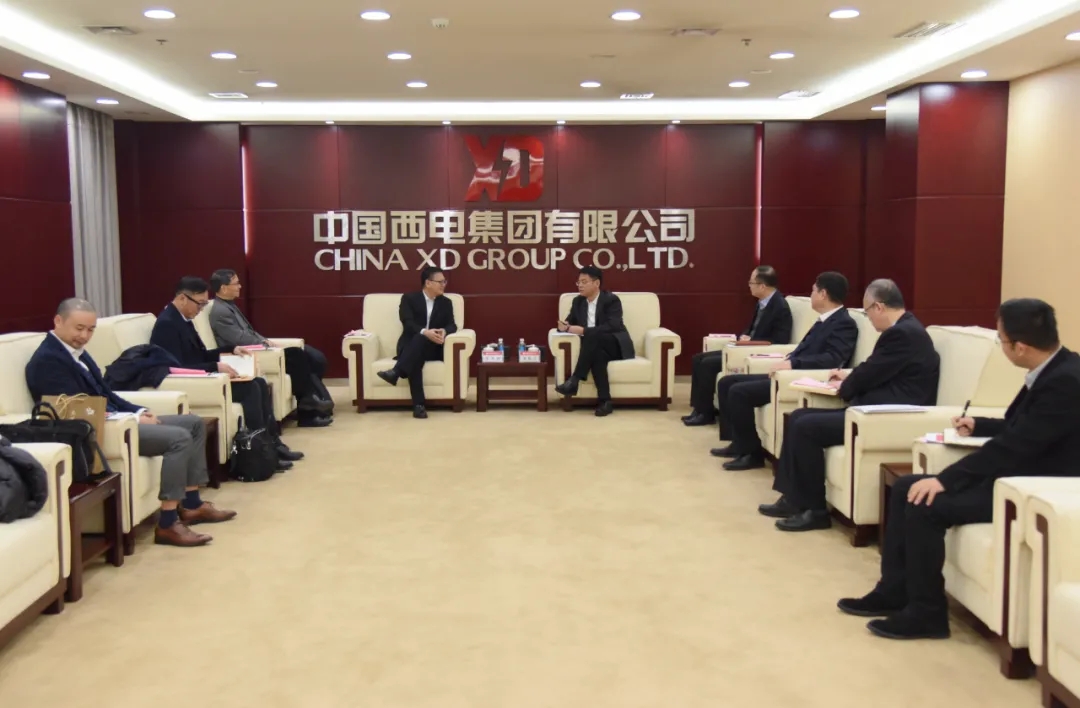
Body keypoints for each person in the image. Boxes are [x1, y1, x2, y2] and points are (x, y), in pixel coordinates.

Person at [839, 298, 1080, 640]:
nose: (1000, 346)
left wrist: (945, 480)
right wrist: (980, 425)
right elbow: (1025, 428)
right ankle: (893, 591)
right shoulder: (1054, 368)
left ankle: (927, 614)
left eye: (1001, 339)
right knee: (906, 487)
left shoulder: (1065, 382)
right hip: (1016, 474)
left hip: (1035, 489)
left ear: (1020, 347)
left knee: (925, 504)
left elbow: (1016, 446)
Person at [25, 298, 237, 547]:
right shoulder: (48, 361)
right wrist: (133, 419)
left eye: (90, 330)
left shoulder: (77, 353)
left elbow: (107, 395)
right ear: (58, 321)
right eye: (79, 328)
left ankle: (192, 504)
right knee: (179, 438)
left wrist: (139, 411)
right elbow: (77, 411)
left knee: (193, 423)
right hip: (97, 433)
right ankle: (168, 523)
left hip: (117, 421)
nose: (84, 336)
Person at [761, 279, 940, 531]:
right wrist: (848, 376)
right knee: (799, 416)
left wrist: (844, 387)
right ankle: (793, 499)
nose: (869, 319)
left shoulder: (902, 334)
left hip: (885, 415)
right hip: (874, 409)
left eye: (867, 312)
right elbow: (876, 368)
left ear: (879, 307)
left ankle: (815, 510)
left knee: (806, 427)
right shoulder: (906, 329)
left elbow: (871, 373)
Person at [149, 277, 302, 470]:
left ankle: (272, 444)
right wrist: (215, 366)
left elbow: (200, 354)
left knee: (259, 383)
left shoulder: (184, 319)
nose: (201, 309)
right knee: (250, 390)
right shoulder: (167, 324)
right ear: (182, 298)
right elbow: (178, 366)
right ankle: (261, 451)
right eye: (200, 304)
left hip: (205, 376)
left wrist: (231, 349)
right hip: (193, 383)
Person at [714, 272, 859, 470]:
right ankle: (738, 443)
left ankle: (751, 454)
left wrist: (793, 364)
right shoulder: (824, 320)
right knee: (727, 382)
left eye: (813, 291)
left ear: (823, 294)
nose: (811, 295)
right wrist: (786, 359)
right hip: (789, 373)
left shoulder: (843, 323)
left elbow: (833, 359)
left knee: (739, 392)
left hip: (800, 377)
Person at [207, 269, 333, 428]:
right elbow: (240, 339)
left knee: (304, 355)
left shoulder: (228, 305)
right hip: (242, 356)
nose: (240, 286)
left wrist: (266, 341)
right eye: (236, 283)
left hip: (251, 350)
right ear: (224, 288)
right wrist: (265, 343)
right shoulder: (220, 311)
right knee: (295, 355)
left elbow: (250, 332)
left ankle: (311, 403)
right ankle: (309, 407)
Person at [683, 266, 793, 427]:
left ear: (762, 286)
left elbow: (780, 340)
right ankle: (698, 409)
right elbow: (752, 328)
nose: (749, 285)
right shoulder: (762, 302)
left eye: (751, 282)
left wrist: (752, 341)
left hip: (755, 351)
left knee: (707, 364)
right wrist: (744, 337)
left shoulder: (780, 306)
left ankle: (706, 414)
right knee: (698, 359)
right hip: (746, 347)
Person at [376, 266, 457, 419]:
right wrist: (425, 332)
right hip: (410, 345)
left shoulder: (446, 302)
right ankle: (419, 406)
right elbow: (407, 323)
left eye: (444, 281)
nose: (443, 285)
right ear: (428, 283)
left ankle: (396, 373)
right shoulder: (409, 299)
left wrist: (444, 331)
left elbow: (452, 325)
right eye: (440, 282)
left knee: (417, 349)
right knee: (417, 348)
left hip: (434, 348)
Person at [553, 265, 635, 417]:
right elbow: (570, 322)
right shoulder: (578, 302)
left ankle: (575, 379)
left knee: (592, 336)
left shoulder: (611, 300)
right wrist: (563, 326)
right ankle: (605, 402)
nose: (580, 285)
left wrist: (584, 331)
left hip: (615, 345)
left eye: (584, 282)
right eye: (578, 282)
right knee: (597, 355)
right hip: (595, 348)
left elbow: (613, 326)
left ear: (596, 283)